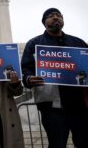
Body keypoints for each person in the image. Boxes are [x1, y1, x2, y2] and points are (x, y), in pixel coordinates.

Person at [21, 8, 88, 148]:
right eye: (51, 16)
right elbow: (26, 69)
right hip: (52, 106)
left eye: (58, 15)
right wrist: (28, 79)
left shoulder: (78, 43)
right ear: (44, 22)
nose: (55, 17)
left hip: (79, 105)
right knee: (57, 144)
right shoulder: (34, 44)